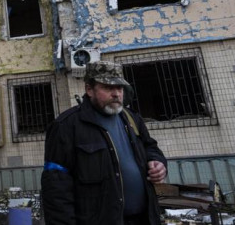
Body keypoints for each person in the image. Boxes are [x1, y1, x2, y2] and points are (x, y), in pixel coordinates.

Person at [41, 61, 167, 225]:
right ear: (89, 90)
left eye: (119, 88)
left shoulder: (131, 118)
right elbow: (56, 188)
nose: (116, 94)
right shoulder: (66, 126)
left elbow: (150, 146)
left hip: (144, 219)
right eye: (108, 87)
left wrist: (158, 162)